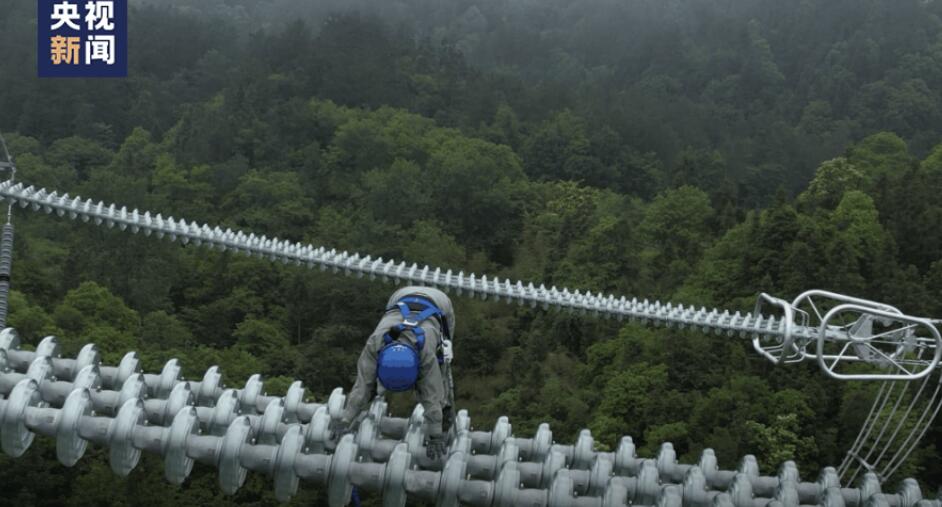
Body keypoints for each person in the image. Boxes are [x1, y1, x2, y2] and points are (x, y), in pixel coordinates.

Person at [338, 286, 456, 460]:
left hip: (440, 304)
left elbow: (432, 394)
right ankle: (362, 409)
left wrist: (435, 435)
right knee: (368, 385)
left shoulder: (425, 354)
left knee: (442, 370)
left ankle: (446, 417)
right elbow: (363, 385)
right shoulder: (375, 343)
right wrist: (344, 421)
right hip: (400, 298)